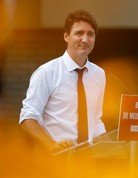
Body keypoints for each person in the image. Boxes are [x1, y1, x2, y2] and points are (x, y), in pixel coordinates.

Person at [19, 10, 106, 154]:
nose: (85, 39)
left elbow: (95, 121)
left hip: (88, 163)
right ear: (66, 36)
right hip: (54, 162)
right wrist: (52, 145)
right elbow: (28, 119)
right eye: (79, 33)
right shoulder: (47, 72)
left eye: (90, 34)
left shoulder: (99, 74)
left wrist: (111, 145)